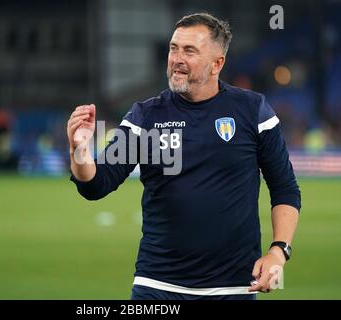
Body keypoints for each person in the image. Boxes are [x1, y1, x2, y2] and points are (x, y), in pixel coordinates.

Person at [67, 13, 301, 300]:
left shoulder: (253, 112)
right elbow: (96, 185)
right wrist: (79, 149)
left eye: (189, 51)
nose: (177, 58)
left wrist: (279, 251)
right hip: (158, 287)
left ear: (217, 64)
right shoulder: (146, 116)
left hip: (234, 288)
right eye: (173, 48)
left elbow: (285, 188)